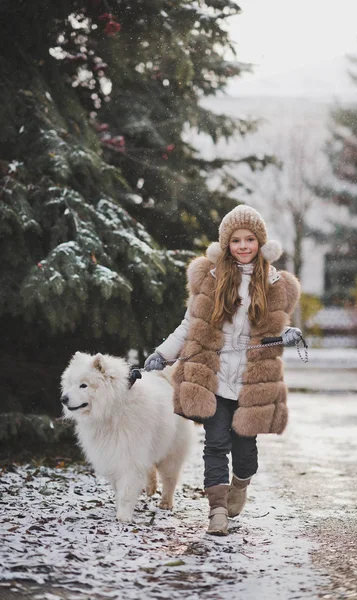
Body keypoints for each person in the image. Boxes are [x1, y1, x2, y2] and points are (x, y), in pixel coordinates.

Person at [144, 205, 302, 536]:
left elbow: (277, 332)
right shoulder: (212, 279)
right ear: (226, 244)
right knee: (215, 444)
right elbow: (189, 326)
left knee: (245, 454)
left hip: (252, 384)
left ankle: (240, 484)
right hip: (212, 378)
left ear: (260, 243)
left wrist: (286, 336)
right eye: (236, 240)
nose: (243, 246)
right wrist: (162, 354)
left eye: (249, 240)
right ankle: (217, 510)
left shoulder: (276, 285)